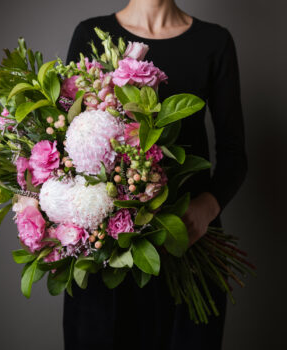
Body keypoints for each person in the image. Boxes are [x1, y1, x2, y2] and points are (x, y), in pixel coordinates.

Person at [63, 1, 248, 349]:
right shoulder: (90, 35)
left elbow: (235, 155)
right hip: (108, 250)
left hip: (189, 244)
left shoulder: (214, 41)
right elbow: (67, 143)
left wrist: (206, 209)